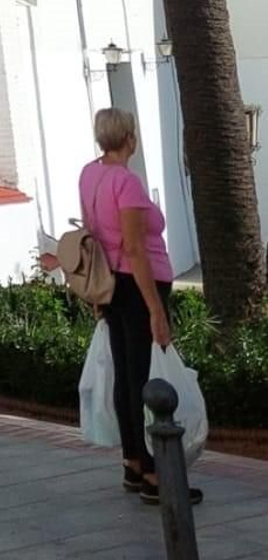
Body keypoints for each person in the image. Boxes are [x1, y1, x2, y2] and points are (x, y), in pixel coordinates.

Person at [77, 107, 201, 505]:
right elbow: (135, 248)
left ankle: (132, 462)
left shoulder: (89, 174)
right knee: (139, 377)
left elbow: (92, 233)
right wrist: (156, 310)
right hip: (135, 285)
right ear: (130, 137)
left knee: (126, 374)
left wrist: (99, 297)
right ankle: (151, 473)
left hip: (111, 285)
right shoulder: (126, 183)